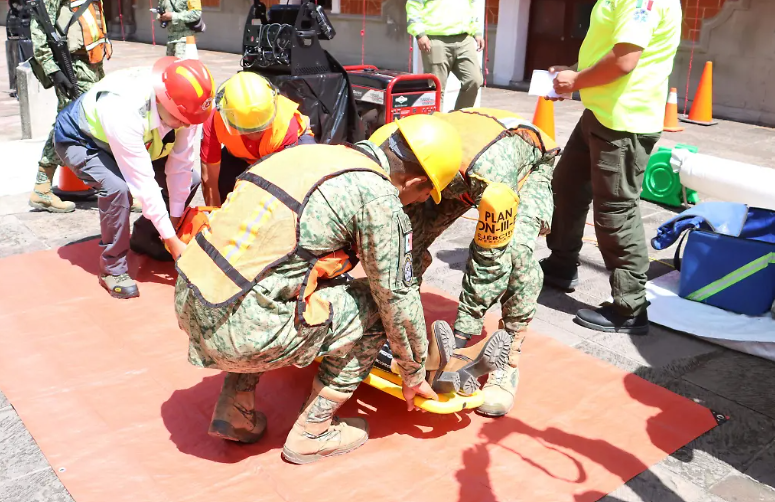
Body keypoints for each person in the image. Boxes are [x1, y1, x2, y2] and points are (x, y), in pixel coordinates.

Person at [175, 115, 509, 464]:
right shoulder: (378, 196)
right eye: (426, 193)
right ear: (413, 180)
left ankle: (235, 408)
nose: (421, 202)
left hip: (193, 301)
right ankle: (313, 432)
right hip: (242, 333)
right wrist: (412, 372)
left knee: (272, 278)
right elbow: (397, 296)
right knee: (379, 310)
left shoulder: (309, 155)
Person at [363, 109, 559, 417]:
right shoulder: (389, 144)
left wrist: (459, 339)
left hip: (522, 168)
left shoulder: (493, 177)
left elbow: (488, 261)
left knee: (515, 254)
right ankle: (391, 329)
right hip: (447, 166)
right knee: (406, 238)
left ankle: (508, 355)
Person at [542, 0, 681, 334]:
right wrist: (573, 72)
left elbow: (624, 60)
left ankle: (630, 307)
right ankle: (561, 265)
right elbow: (608, 48)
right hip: (601, 113)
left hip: (624, 123)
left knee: (616, 212)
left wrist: (575, 82)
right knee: (566, 186)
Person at [52, 57, 214, 299]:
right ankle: (113, 268)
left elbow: (180, 166)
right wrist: (173, 240)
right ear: (163, 101)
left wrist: (174, 221)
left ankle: (148, 239)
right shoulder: (124, 109)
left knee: (190, 179)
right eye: (181, 119)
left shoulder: (185, 108)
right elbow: (143, 183)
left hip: (141, 141)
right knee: (117, 188)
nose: (186, 125)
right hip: (84, 139)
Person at [27, 0, 112, 213]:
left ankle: (42, 186)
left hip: (93, 63)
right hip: (73, 65)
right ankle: (42, 187)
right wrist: (53, 70)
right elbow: (40, 27)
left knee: (86, 121)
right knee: (74, 123)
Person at [200, 71, 314, 206]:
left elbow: (282, 184)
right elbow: (209, 180)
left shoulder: (286, 126)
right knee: (224, 183)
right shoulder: (214, 121)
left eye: (260, 129)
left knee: (304, 186)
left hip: (286, 151)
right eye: (245, 130)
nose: (253, 136)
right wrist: (214, 217)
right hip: (242, 156)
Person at [406, 0, 484, 110]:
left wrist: (477, 31)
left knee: (474, 79)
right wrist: (419, 33)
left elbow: (472, 7)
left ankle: (458, 121)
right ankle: (436, 124)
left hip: (464, 38)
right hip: (435, 38)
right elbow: (414, 5)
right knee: (436, 88)